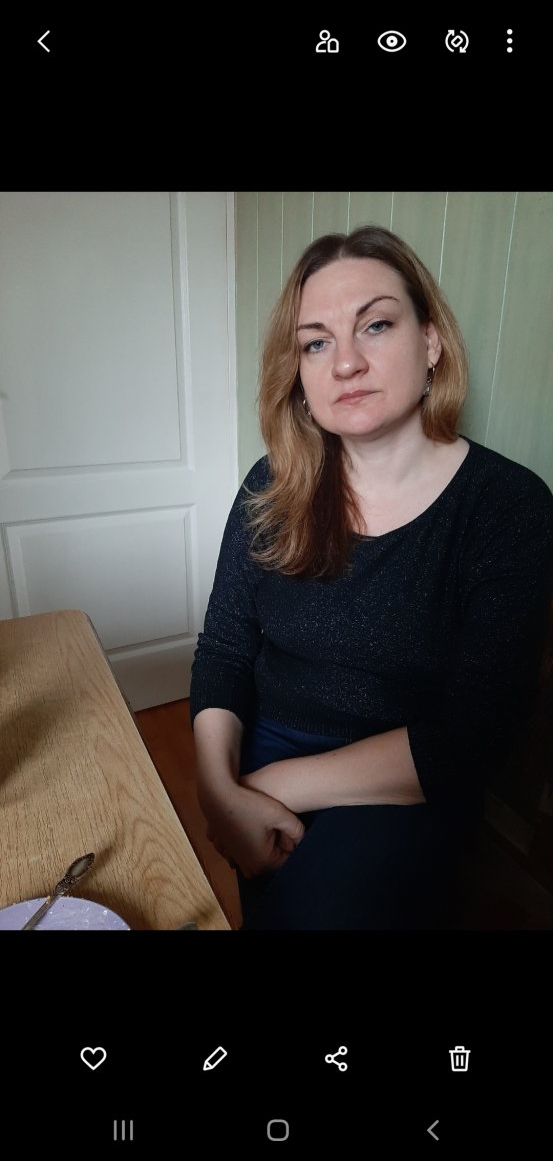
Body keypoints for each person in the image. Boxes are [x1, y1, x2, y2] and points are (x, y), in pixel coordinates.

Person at [189, 225, 553, 930]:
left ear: (431, 342)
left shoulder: (507, 506)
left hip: (405, 777)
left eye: (376, 325)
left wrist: (264, 787)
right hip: (265, 741)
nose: (346, 362)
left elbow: (473, 734)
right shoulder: (270, 485)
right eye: (316, 342)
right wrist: (216, 788)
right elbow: (225, 648)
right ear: (298, 372)